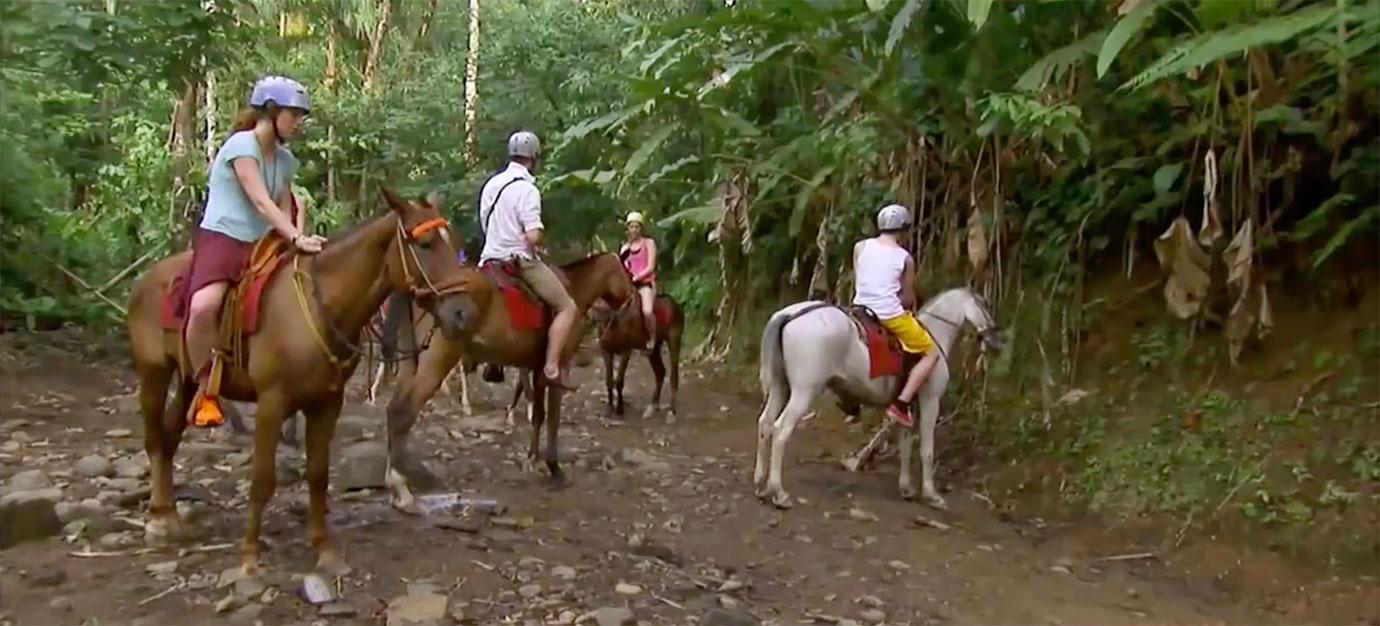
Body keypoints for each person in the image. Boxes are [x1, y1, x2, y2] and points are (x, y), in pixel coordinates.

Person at [183, 75, 327, 428]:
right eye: (293, 115)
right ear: (271, 112)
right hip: (224, 238)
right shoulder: (241, 147)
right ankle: (204, 387)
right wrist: (296, 237)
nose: (298, 123)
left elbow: (283, 204)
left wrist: (296, 236)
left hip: (264, 242)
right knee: (204, 306)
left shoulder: (285, 160)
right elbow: (261, 203)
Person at [478, 130, 578, 389]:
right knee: (568, 307)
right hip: (519, 260)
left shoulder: (492, 184)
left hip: (488, 259)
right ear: (533, 157)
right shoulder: (527, 189)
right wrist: (533, 237)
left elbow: (484, 224)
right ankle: (552, 366)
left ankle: (495, 360)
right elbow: (533, 236)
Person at [852, 203, 937, 428]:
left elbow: (859, 278)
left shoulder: (861, 247)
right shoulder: (905, 258)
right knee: (931, 353)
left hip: (859, 308)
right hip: (888, 314)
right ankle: (901, 404)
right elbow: (907, 298)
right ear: (903, 229)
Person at [619, 212, 658, 350]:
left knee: (647, 311)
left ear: (641, 228)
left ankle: (652, 336)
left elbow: (650, 267)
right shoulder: (624, 248)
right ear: (628, 229)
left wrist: (637, 277)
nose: (634, 229)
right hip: (629, 284)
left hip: (645, 283)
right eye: (632, 227)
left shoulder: (649, 243)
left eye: (637, 227)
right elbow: (623, 267)